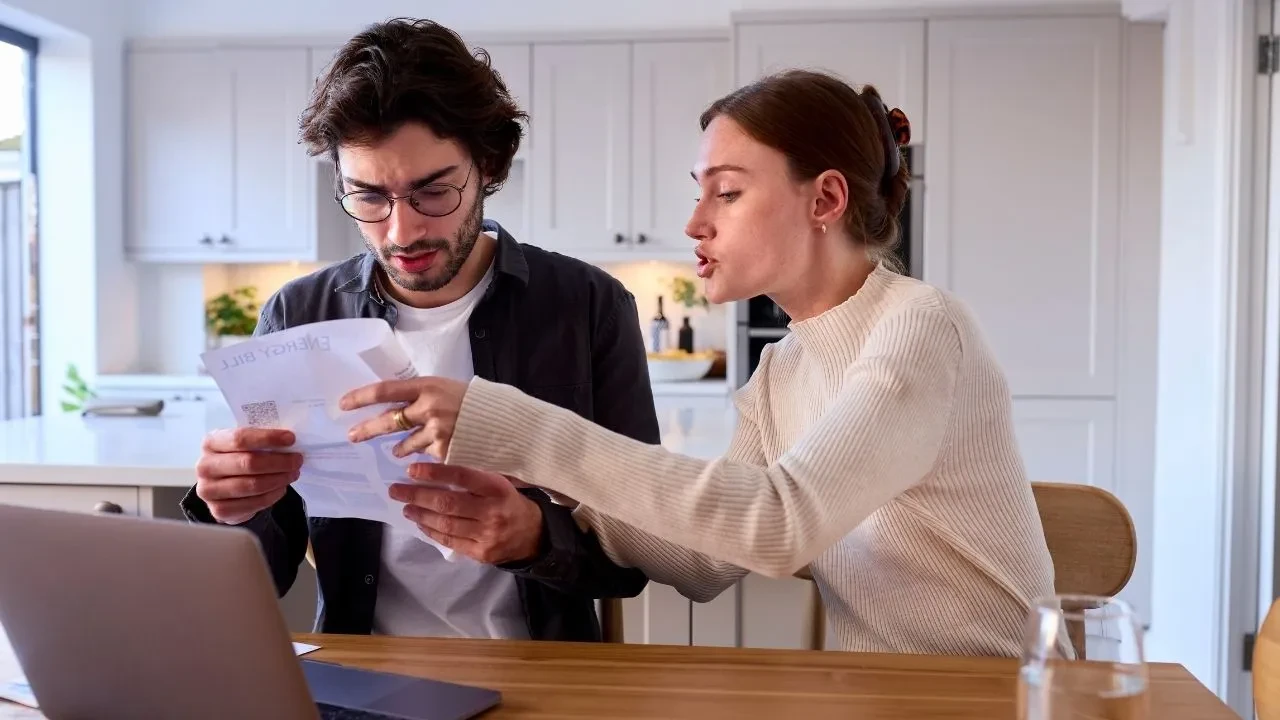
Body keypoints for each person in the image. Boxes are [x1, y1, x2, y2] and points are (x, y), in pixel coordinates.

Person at [338, 70, 1059, 657]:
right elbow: (703, 563)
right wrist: (541, 501)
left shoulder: (921, 326)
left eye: (728, 192)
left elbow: (778, 524)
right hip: (876, 697)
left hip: (999, 696)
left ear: (826, 199)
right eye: (699, 190)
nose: (695, 222)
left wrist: (517, 428)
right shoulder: (783, 371)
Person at [180, 17, 655, 643]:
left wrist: (535, 538)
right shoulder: (299, 314)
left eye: (433, 192)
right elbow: (265, 573)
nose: (402, 232)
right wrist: (230, 508)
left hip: (544, 669)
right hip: (364, 664)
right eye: (369, 197)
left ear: (488, 165)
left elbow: (638, 555)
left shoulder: (588, 306)